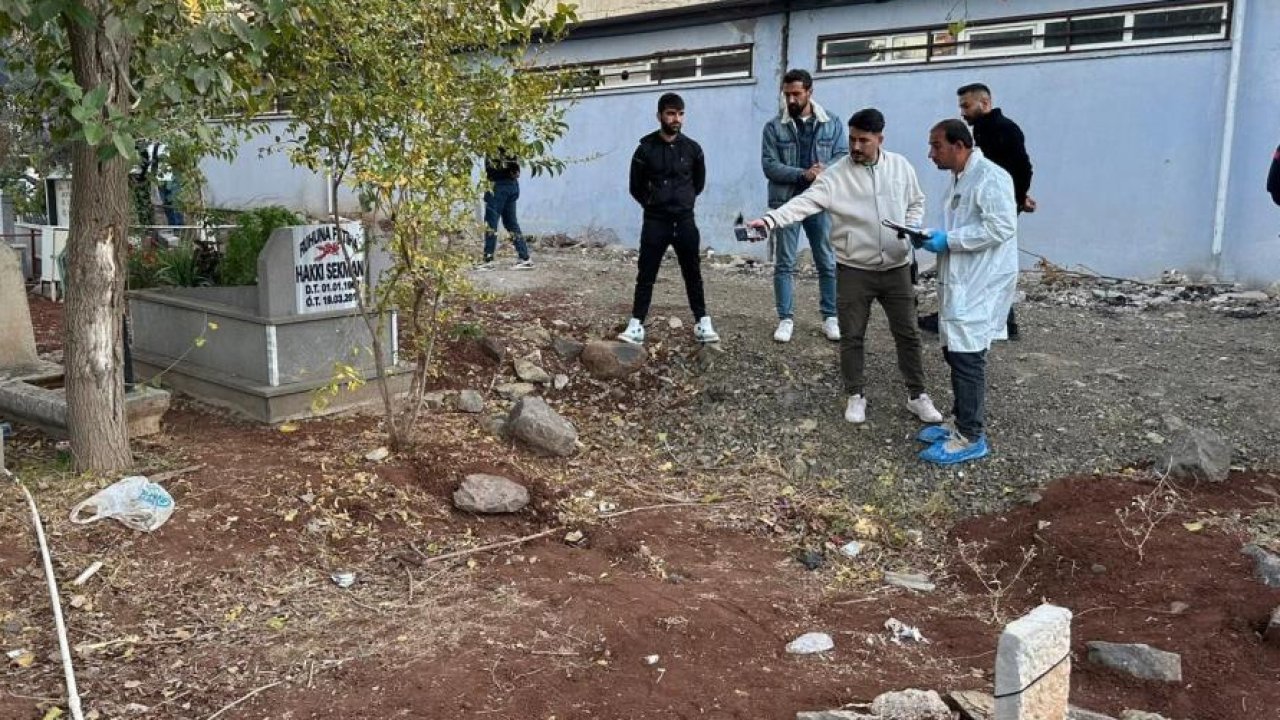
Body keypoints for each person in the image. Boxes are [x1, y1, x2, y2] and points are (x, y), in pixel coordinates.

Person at [748, 109, 943, 426]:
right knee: (852, 335)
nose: (855, 146)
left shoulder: (901, 167)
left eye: (863, 140)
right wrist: (769, 221)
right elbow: (804, 203)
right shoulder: (836, 175)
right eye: (852, 139)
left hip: (896, 268)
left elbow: (916, 201)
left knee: (908, 334)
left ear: (880, 139)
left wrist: (910, 228)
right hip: (854, 269)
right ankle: (855, 394)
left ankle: (917, 395)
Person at [914, 119, 1018, 465]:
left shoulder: (991, 177)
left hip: (981, 283)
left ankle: (971, 436)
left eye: (937, 146)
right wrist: (931, 236)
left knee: (968, 357)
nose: (931, 154)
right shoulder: (961, 177)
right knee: (954, 349)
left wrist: (950, 240)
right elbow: (963, 225)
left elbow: (1001, 227)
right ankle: (959, 421)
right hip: (961, 279)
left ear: (959, 145)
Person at [920, 83, 1031, 339]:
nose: (963, 112)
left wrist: (1017, 198)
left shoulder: (1003, 131)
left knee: (987, 274)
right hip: (989, 202)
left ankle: (1000, 322)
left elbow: (1021, 167)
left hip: (997, 202)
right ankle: (958, 316)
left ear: (985, 103)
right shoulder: (975, 141)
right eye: (961, 106)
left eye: (967, 106)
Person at [617, 92, 719, 346]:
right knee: (646, 273)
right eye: (671, 114)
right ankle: (636, 325)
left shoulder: (693, 149)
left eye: (680, 114)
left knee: (693, 272)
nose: (676, 119)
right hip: (656, 221)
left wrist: (683, 201)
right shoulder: (645, 150)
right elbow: (635, 187)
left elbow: (698, 183)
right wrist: (654, 203)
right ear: (659, 116)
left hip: (685, 221)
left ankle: (702, 322)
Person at [761, 68, 848, 344]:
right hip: (786, 202)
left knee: (827, 260)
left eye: (796, 94)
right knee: (785, 262)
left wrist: (824, 171)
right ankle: (785, 319)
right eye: (787, 94)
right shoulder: (774, 127)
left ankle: (830, 317)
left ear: (810, 92)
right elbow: (769, 165)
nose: (791, 100)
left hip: (820, 201)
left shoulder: (831, 122)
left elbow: (843, 156)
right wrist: (803, 174)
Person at [480, 150, 533, 270]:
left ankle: (488, 260)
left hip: (498, 186)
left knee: (491, 224)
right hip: (511, 185)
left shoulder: (495, 144)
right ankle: (525, 258)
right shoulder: (511, 144)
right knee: (511, 223)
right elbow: (516, 170)